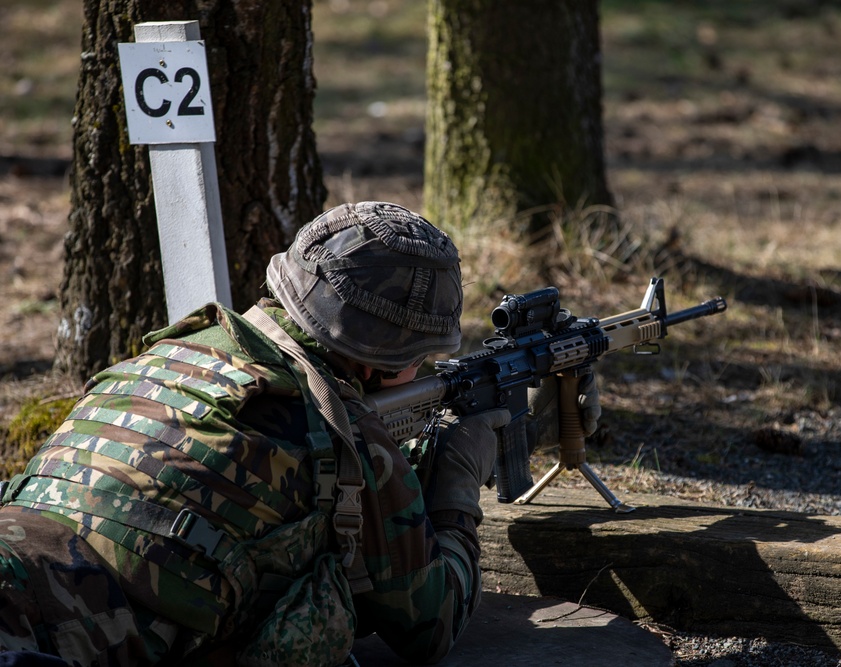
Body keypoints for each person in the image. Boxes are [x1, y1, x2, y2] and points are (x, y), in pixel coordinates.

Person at [0, 201, 600, 667]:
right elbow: (432, 626)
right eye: (425, 359)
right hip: (53, 641)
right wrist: (458, 485)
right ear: (380, 363)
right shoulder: (348, 437)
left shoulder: (174, 352)